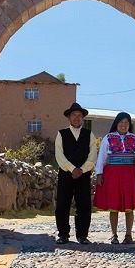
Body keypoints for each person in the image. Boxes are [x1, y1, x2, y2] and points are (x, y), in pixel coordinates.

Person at [93, 112, 135, 244]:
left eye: (126, 123)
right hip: (112, 173)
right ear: (116, 124)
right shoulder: (108, 138)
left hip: (130, 173)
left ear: (129, 125)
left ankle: (128, 235)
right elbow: (101, 157)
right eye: (121, 122)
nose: (123, 125)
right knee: (114, 204)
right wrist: (99, 174)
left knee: (129, 205)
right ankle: (114, 235)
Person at [54, 102, 97, 245]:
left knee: (84, 205)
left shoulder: (89, 134)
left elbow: (93, 155)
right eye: (74, 115)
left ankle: (82, 235)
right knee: (62, 204)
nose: (77, 118)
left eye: (79, 115)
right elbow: (59, 155)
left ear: (82, 118)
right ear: (69, 117)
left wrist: (82, 170)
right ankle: (63, 234)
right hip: (66, 174)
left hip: (84, 175)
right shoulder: (61, 134)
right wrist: (72, 169)